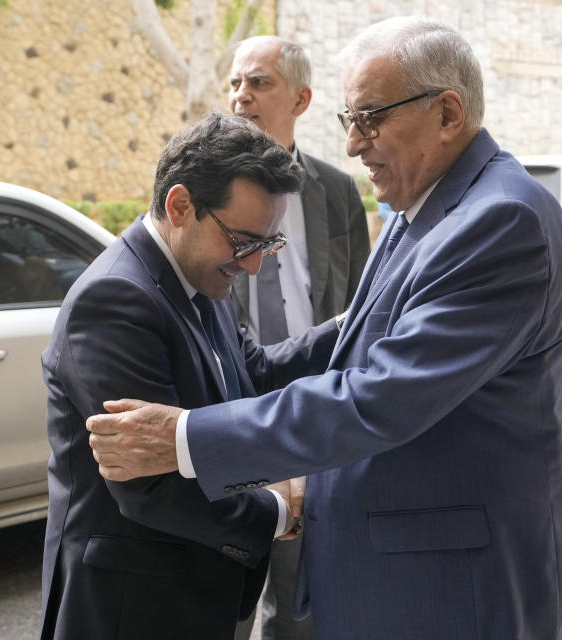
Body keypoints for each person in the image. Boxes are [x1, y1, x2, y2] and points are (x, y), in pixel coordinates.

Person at [87, 16, 562, 639]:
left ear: (448, 113)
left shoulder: (499, 219)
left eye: (371, 118)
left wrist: (189, 437)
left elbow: (381, 396)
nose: (353, 144)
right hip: (406, 576)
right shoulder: (421, 200)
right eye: (349, 120)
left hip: (455, 589)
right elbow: (361, 333)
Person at [39, 112, 341, 639]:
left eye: (268, 246)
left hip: (196, 591)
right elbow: (149, 484)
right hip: (133, 606)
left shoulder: (199, 274)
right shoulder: (115, 299)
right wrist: (276, 511)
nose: (252, 267)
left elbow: (252, 372)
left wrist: (353, 325)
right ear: (180, 206)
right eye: (245, 242)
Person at [227, 35, 370, 640]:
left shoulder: (337, 191)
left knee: (297, 606)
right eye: (235, 83)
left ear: (302, 98)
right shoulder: (201, 185)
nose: (241, 97)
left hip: (311, 418)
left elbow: (363, 306)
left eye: (258, 83)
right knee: (223, 597)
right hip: (229, 414)